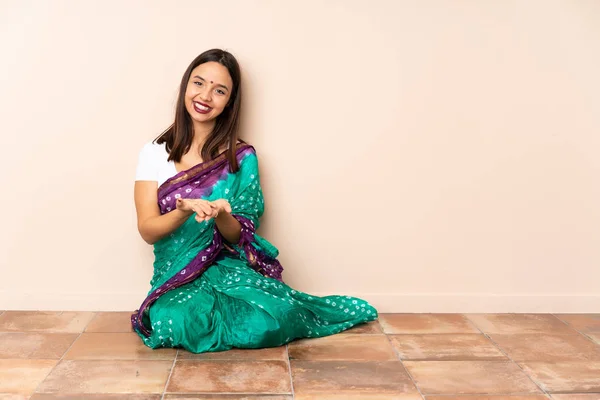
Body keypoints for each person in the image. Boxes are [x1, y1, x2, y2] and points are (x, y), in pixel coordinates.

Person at [132, 49, 378, 353]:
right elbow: (147, 230)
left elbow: (238, 235)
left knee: (274, 318)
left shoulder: (240, 157)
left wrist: (222, 213)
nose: (205, 96)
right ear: (185, 86)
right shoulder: (154, 152)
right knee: (175, 321)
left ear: (229, 102)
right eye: (199, 83)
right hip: (175, 276)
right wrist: (182, 212)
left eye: (219, 90)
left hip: (227, 268)